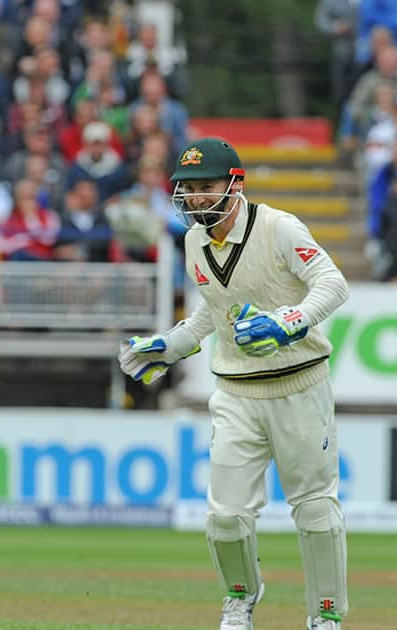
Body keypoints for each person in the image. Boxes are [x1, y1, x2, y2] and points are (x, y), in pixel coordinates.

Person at [118, 138, 349, 630]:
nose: (196, 198)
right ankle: (240, 599)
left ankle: (325, 614)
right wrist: (173, 344)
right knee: (225, 517)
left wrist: (289, 321)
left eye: (206, 187)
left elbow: (332, 284)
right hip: (236, 392)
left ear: (234, 185)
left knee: (314, 510)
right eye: (187, 188)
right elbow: (214, 307)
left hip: (299, 385)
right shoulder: (192, 242)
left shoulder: (279, 228)